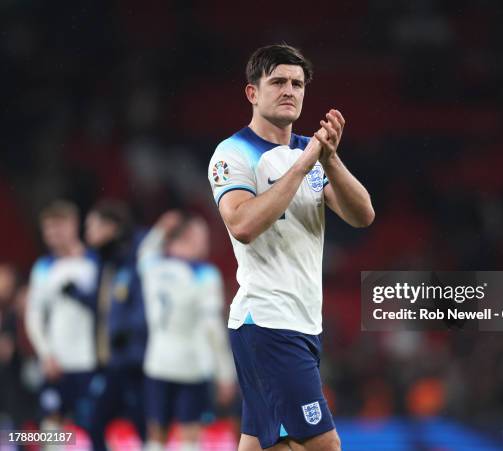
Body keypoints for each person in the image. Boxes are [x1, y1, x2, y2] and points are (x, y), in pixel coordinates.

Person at [207, 44, 375, 451]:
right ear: (253, 93)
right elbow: (242, 224)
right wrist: (303, 165)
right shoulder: (232, 154)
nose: (290, 90)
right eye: (278, 81)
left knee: (268, 444)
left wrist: (329, 159)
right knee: (323, 444)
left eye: (297, 84)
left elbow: (363, 215)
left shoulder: (312, 153)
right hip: (266, 319)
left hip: (301, 321)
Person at [137, 211, 236, 451]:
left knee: (156, 434)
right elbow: (212, 328)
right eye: (202, 234)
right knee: (189, 436)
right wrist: (225, 373)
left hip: (157, 362)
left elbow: (144, 253)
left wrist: (160, 228)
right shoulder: (204, 275)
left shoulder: (154, 267)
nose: (206, 240)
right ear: (189, 237)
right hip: (192, 365)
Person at [24, 200, 98, 435]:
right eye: (48, 229)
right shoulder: (43, 267)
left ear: (73, 225)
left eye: (58, 226)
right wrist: (46, 355)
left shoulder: (94, 263)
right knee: (51, 427)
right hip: (57, 362)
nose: (52, 234)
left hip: (90, 360)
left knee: (92, 427)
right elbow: (34, 316)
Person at [81, 199, 148, 451]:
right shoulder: (106, 263)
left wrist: (129, 333)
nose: (87, 235)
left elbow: (141, 306)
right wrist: (78, 296)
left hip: (133, 361)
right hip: (111, 361)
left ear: (112, 227)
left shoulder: (136, 259)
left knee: (141, 424)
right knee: (95, 421)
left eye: (93, 227)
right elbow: (106, 306)